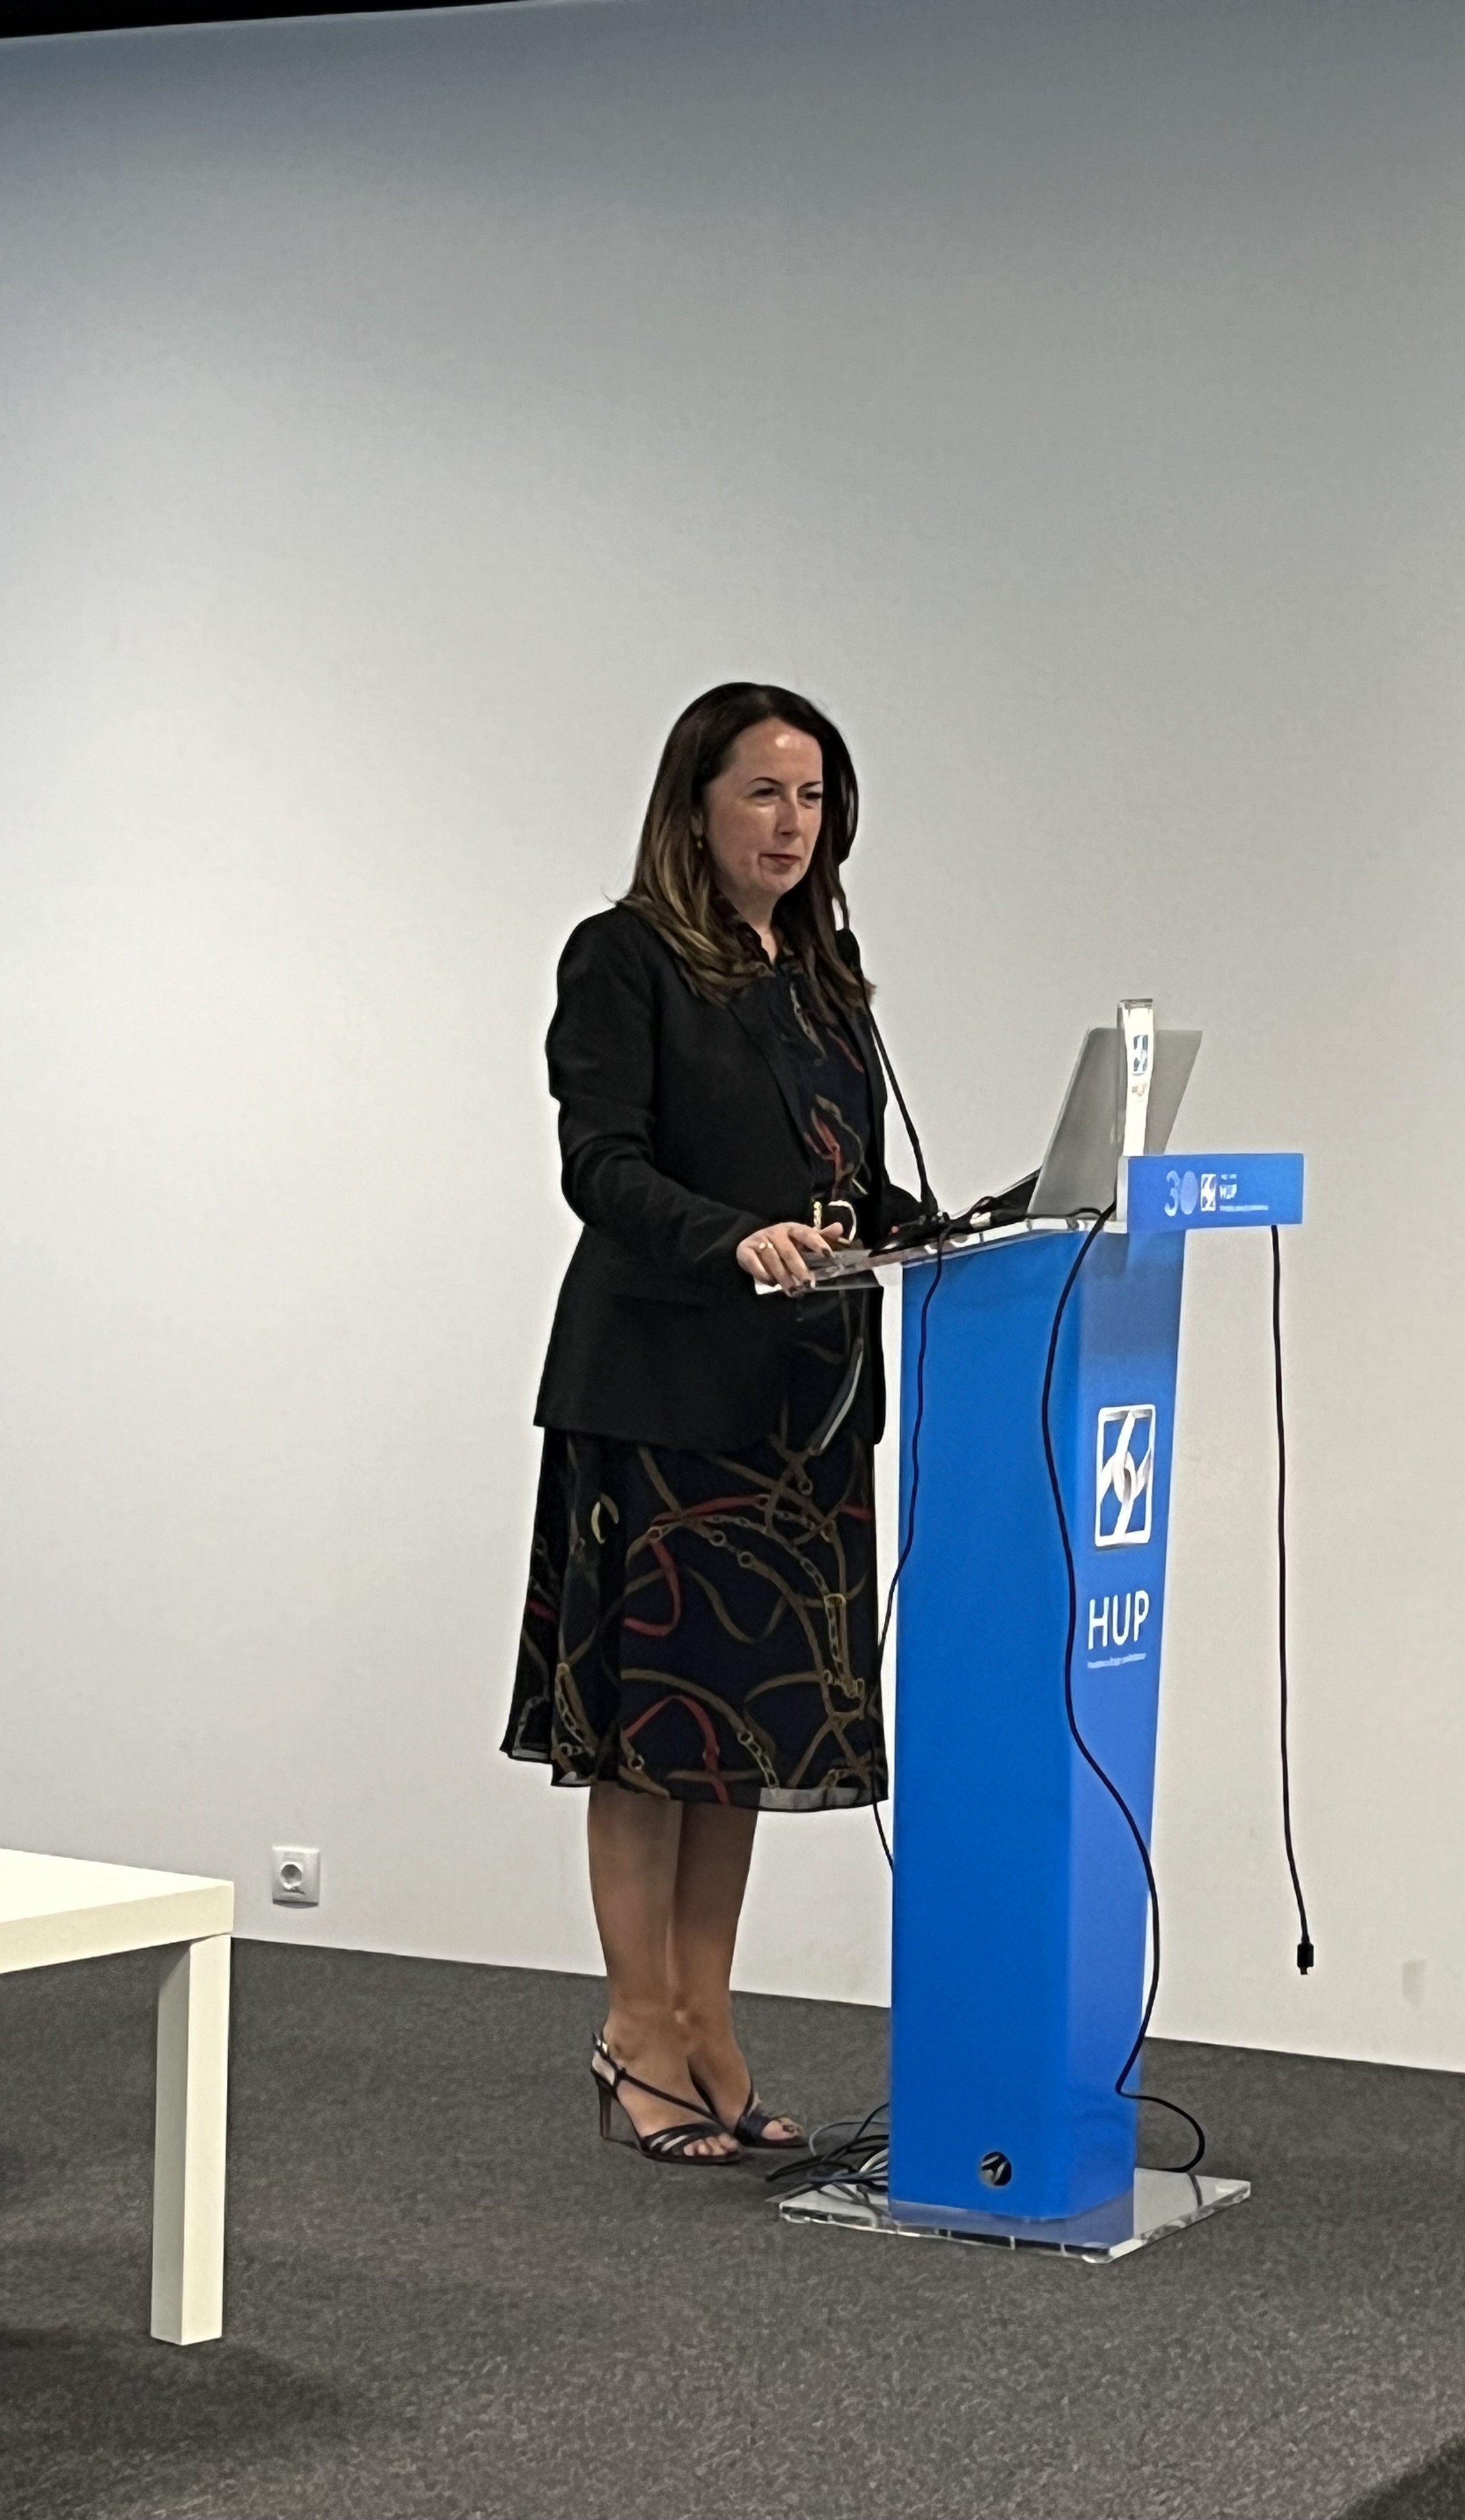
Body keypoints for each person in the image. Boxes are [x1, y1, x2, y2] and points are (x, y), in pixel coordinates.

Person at [504, 683, 923, 2165]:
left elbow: (844, 1187)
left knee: (734, 1739)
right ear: (695, 806)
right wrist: (731, 1239)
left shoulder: (823, 978)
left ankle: (709, 2022)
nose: (791, 825)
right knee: (651, 1740)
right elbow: (601, 1166)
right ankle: (639, 2030)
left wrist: (960, 1230)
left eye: (813, 799)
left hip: (798, 1410)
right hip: (662, 1396)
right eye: (763, 793)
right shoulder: (623, 958)